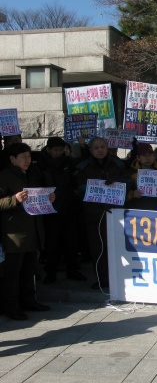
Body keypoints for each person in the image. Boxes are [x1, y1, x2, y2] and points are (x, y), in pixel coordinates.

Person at [0, 143, 53, 320]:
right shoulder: (5, 176)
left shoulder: (32, 174)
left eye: (29, 156)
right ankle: (11, 307)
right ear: (12, 159)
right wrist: (13, 199)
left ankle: (29, 301)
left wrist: (48, 197)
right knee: (13, 274)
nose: (27, 160)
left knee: (29, 270)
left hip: (33, 230)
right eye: (23, 157)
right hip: (14, 233)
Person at [77, 137, 133, 289]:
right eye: (96, 148)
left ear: (107, 148)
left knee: (116, 246)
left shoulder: (117, 163)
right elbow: (79, 188)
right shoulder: (84, 167)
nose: (100, 150)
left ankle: (119, 277)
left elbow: (129, 182)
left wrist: (116, 182)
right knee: (97, 248)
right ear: (91, 150)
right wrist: (99, 186)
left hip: (115, 212)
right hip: (94, 213)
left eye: (102, 147)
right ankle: (103, 279)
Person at [37, 137, 87, 284]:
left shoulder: (68, 162)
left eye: (61, 150)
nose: (58, 153)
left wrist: (82, 146)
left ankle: (72, 271)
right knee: (52, 244)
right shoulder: (41, 165)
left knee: (71, 243)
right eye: (55, 150)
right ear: (48, 150)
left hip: (69, 207)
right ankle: (50, 273)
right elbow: (37, 184)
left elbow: (81, 164)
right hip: (50, 210)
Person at [127, 143, 157, 211]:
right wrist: (132, 194)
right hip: (138, 212)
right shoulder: (131, 174)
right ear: (138, 157)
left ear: (153, 156)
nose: (148, 158)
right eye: (144, 155)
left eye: (150, 155)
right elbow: (123, 195)